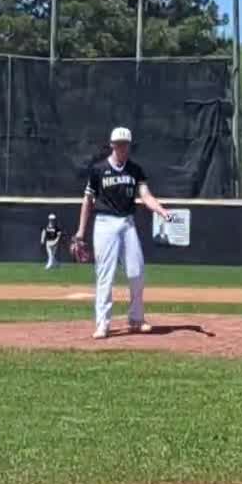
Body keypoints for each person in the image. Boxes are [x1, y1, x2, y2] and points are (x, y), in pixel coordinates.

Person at [70, 128, 178, 339]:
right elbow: (87, 201)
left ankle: (136, 319)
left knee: (136, 272)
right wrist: (81, 232)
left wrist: (161, 210)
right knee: (105, 275)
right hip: (104, 224)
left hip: (127, 224)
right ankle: (103, 324)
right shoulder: (98, 169)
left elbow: (145, 195)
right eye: (118, 143)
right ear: (111, 145)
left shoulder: (135, 170)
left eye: (125, 144)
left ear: (129, 145)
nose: (121, 147)